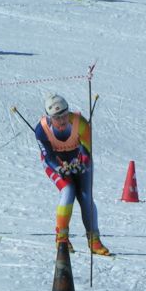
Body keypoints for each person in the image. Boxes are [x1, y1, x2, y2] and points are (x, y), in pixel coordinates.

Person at [34, 93, 110, 255]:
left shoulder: (80, 123)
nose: (61, 121)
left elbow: (87, 150)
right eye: (56, 118)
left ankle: (94, 240)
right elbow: (48, 156)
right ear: (49, 118)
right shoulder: (41, 129)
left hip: (79, 159)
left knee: (85, 196)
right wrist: (60, 168)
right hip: (55, 163)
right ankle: (62, 239)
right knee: (68, 191)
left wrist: (80, 163)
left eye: (64, 116)